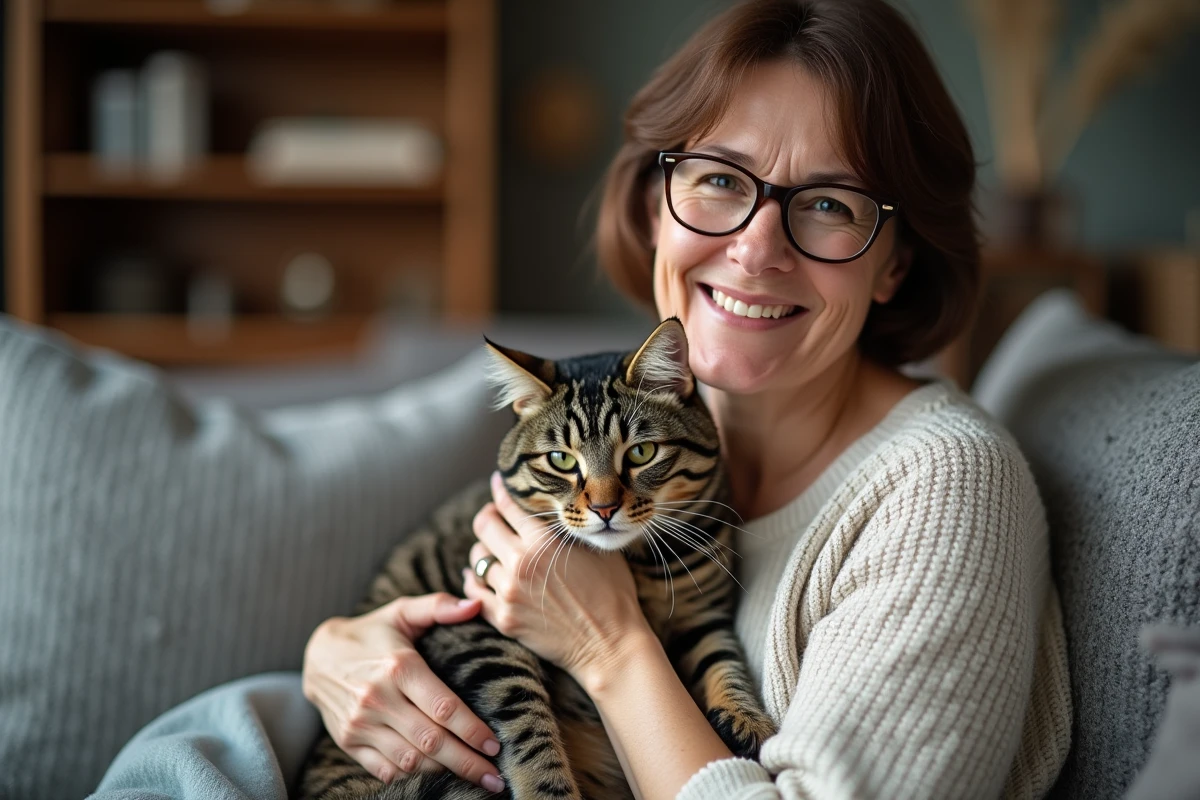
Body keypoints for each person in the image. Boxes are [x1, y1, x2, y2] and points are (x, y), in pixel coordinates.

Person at [300, 0, 1073, 797]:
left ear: (895, 265)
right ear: (652, 207)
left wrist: (609, 647)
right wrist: (334, 651)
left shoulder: (946, 490)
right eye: (718, 179)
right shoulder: (646, 432)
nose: (755, 249)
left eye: (830, 203)